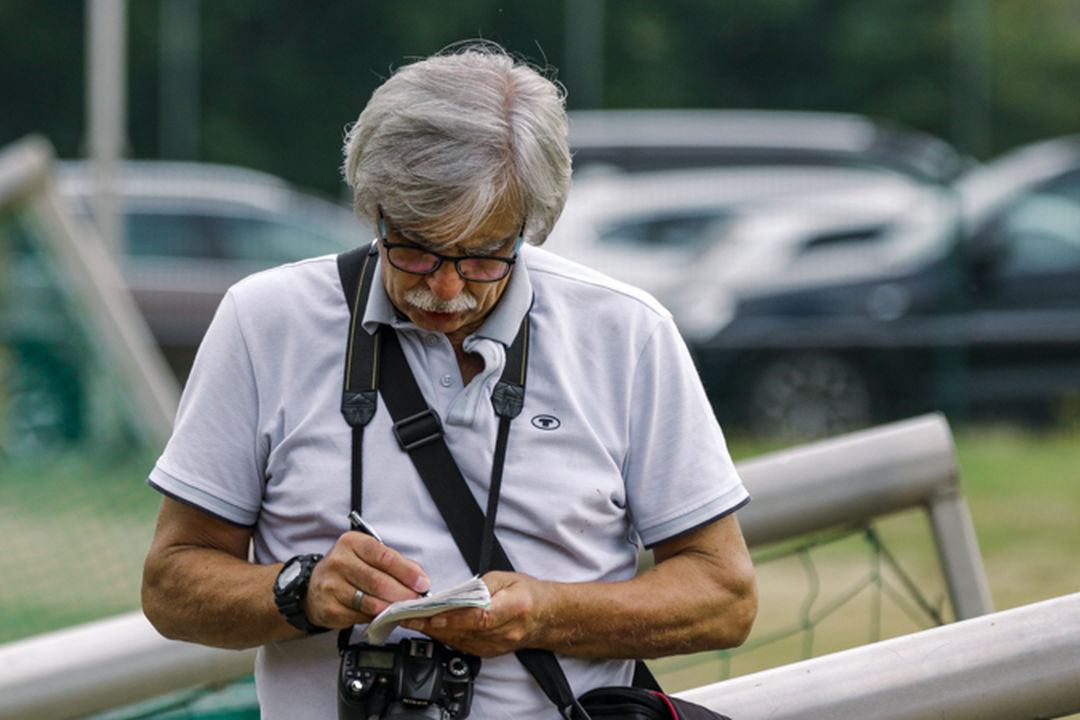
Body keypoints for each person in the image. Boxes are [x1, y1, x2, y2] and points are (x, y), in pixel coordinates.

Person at [141, 41, 757, 719]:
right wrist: (301, 590)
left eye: (484, 256)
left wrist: (546, 613)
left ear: (533, 227)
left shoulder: (626, 331)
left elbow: (723, 597)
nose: (445, 288)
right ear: (370, 207)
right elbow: (172, 584)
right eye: (413, 247)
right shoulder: (264, 321)